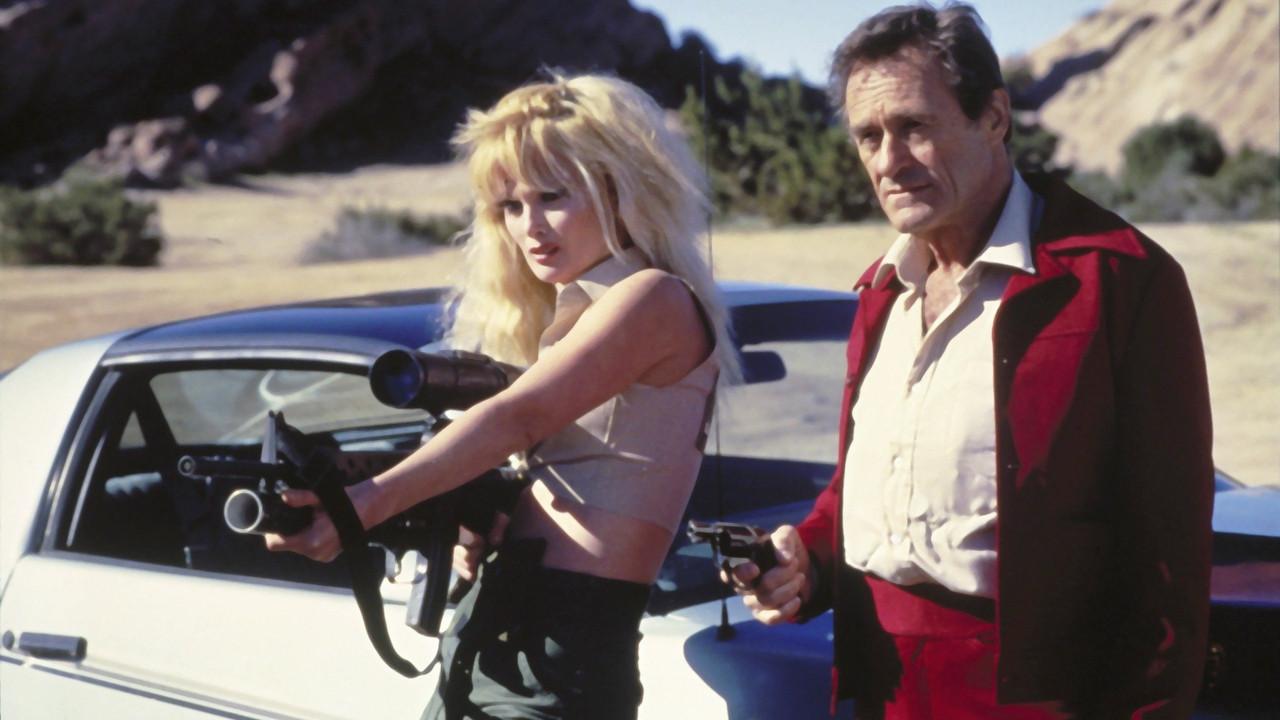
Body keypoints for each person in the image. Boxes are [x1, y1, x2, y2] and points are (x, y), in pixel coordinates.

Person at [727, 4, 1214, 719]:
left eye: (914, 126)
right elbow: (871, 491)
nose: (888, 161)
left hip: (1037, 696)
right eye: (868, 136)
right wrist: (808, 559)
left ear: (994, 116)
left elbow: (1169, 558)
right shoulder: (881, 292)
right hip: (882, 686)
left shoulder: (1120, 280)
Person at [266, 73, 739, 719]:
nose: (529, 226)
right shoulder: (573, 317)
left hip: (566, 646)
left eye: (551, 196)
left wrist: (365, 504)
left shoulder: (653, 297)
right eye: (509, 206)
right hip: (497, 627)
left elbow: (520, 416)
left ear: (618, 188)